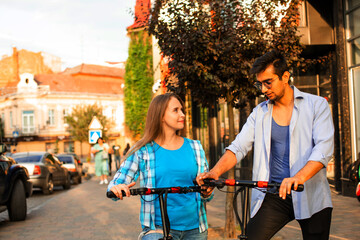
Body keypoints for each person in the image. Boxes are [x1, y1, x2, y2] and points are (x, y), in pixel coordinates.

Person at [197, 50, 334, 240]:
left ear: (285, 77)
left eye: (268, 82)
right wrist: (214, 172)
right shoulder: (259, 113)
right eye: (259, 83)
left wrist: (299, 177)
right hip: (274, 195)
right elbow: (238, 147)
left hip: (311, 194)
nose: (263, 89)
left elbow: (323, 149)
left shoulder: (316, 105)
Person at [108, 93, 213, 240]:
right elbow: (118, 181)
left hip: (195, 229)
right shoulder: (143, 150)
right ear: (161, 116)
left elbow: (207, 192)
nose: (182, 114)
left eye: (182, 110)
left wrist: (207, 190)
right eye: (175, 110)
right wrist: (116, 187)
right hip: (158, 228)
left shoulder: (195, 147)